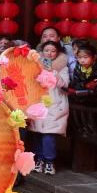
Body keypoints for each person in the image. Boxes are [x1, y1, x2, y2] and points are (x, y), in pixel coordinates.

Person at [28, 41, 69, 175]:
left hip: (54, 104)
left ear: (57, 53)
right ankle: (39, 159)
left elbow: (65, 84)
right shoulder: (35, 66)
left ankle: (50, 162)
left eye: (53, 51)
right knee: (37, 134)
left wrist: (54, 72)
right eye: (47, 50)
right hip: (38, 103)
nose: (49, 53)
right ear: (42, 52)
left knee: (49, 135)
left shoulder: (63, 67)